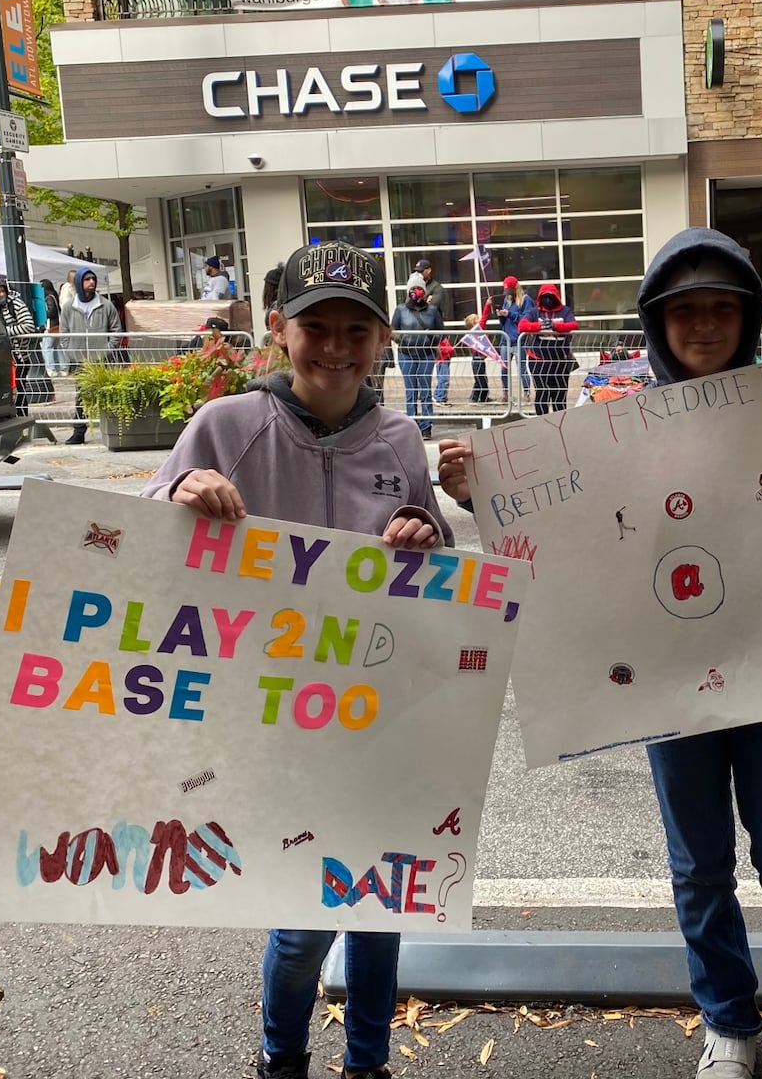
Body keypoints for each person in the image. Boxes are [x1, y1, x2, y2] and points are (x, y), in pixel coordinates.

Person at [435, 227, 762, 1079]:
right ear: (657, 322)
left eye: (721, 308)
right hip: (670, 687)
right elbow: (566, 526)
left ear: (747, 318)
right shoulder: (617, 422)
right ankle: (727, 1016)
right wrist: (481, 494)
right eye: (685, 311)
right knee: (698, 863)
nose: (703, 325)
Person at [140, 241, 448, 1079]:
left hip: (379, 715)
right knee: (306, 915)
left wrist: (427, 531)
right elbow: (131, 541)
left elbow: (434, 560)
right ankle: (282, 1061)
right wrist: (178, 496)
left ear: (383, 340)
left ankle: (369, 1063)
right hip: (273, 716)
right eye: (317, 325)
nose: (338, 346)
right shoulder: (227, 426)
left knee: (381, 908)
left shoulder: (399, 435)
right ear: (278, 330)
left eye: (359, 328)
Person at [59, 267, 124, 445]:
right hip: (80, 360)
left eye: (93, 279)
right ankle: (79, 432)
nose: (91, 283)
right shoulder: (68, 307)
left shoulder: (106, 305)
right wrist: (71, 352)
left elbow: (117, 330)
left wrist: (107, 350)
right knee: (82, 396)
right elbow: (63, 333)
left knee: (108, 394)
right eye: (87, 280)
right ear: (79, 283)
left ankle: (116, 431)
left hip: (102, 359)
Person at [390, 275, 442, 437]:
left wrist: (431, 338)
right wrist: (402, 339)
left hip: (426, 354)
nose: (416, 291)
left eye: (419, 288)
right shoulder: (400, 310)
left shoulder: (432, 311)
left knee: (425, 390)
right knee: (410, 390)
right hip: (407, 354)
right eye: (413, 289)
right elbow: (391, 331)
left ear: (424, 291)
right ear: (408, 291)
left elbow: (441, 332)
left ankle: (426, 426)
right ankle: (412, 424)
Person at [519, 282, 577, 415]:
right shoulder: (534, 312)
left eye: (550, 296)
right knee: (542, 394)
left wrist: (556, 326)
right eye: (544, 296)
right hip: (539, 361)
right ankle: (542, 424)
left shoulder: (565, 311)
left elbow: (573, 324)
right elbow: (522, 326)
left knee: (560, 396)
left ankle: (560, 424)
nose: (548, 299)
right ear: (540, 298)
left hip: (560, 361)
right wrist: (539, 326)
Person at [0, 274, 39, 412]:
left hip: (18, 356)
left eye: (2, 291)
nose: (1, 294)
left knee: (18, 390)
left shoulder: (16, 303)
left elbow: (29, 326)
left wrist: (3, 332)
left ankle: (21, 415)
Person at [416, 261, 457, 405]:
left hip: (436, 333)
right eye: (418, 271)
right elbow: (410, 303)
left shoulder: (437, 287)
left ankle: (440, 395)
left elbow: (432, 306)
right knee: (423, 367)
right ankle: (424, 394)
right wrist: (424, 300)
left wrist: (421, 301)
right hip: (421, 334)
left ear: (429, 270)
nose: (420, 274)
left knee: (442, 365)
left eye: (422, 271)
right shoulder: (416, 285)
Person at [496, 276, 538, 400]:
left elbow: (526, 319)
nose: (508, 294)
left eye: (509, 291)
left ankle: (526, 392)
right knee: (504, 369)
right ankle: (505, 393)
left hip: (519, 340)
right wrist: (501, 315)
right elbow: (503, 322)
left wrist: (509, 314)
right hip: (506, 339)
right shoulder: (506, 300)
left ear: (515, 288)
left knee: (522, 368)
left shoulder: (526, 300)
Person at [39, 276, 65, 378]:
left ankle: (51, 369)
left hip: (50, 326)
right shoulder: (54, 296)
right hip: (57, 325)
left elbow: (52, 311)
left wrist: (43, 314)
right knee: (57, 347)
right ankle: (62, 368)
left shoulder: (48, 298)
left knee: (47, 348)